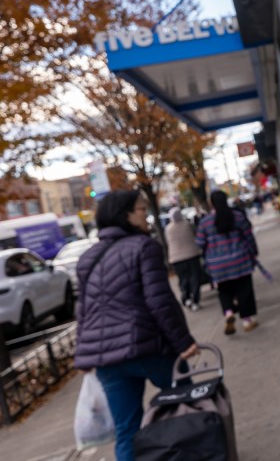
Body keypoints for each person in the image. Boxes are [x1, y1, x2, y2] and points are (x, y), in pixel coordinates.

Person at [75, 190, 199, 461]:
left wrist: (82, 353)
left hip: (108, 361)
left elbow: (83, 311)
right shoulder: (145, 247)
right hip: (149, 348)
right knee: (183, 409)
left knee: (127, 430)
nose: (147, 215)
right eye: (142, 209)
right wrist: (184, 342)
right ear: (126, 216)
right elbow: (160, 302)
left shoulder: (87, 259)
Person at [197, 190, 260, 334]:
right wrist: (254, 252)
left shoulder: (205, 222)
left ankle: (228, 312)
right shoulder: (237, 217)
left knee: (224, 291)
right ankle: (247, 321)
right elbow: (248, 236)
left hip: (218, 265)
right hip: (240, 260)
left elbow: (200, 243)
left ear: (210, 203)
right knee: (244, 290)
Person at [165, 207, 202, 311]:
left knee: (183, 279)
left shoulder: (168, 229)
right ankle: (195, 300)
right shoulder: (187, 225)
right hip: (192, 255)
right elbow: (195, 235)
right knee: (195, 278)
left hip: (176, 258)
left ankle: (186, 297)